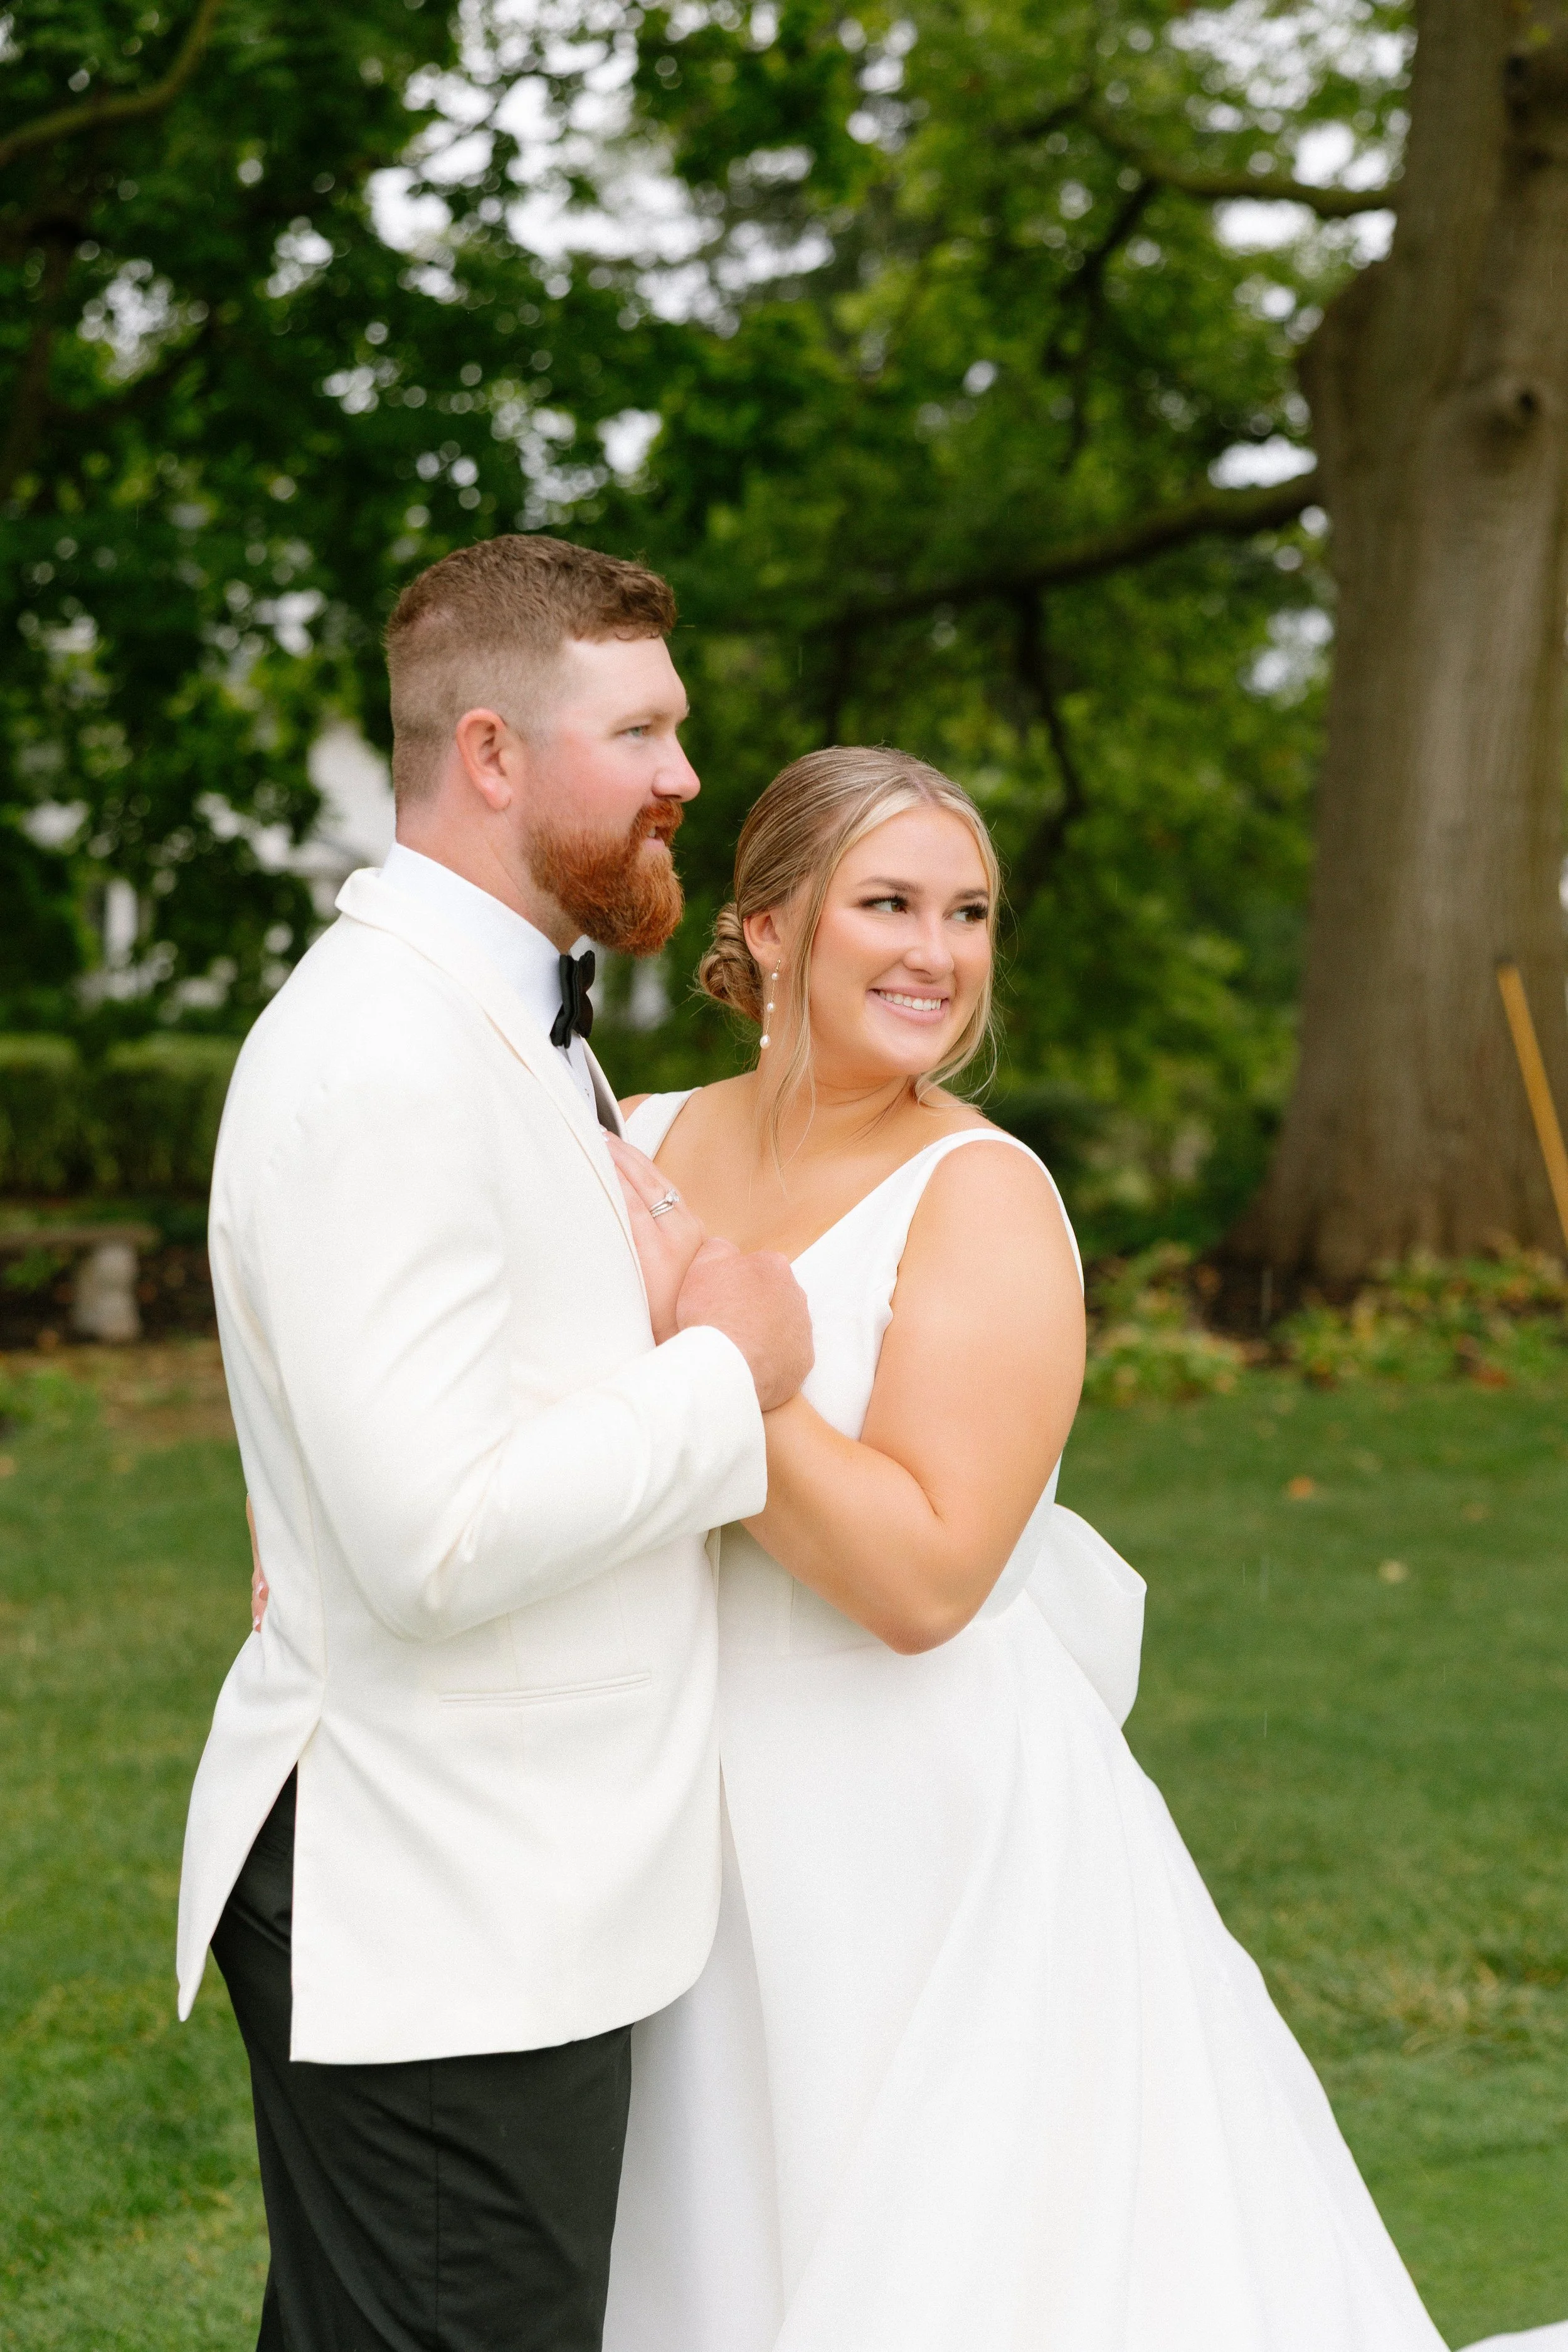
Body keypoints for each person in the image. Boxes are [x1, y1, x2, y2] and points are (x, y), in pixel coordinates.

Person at [590, 743, 1476, 2350]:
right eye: (887, 903)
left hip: (922, 1834)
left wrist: (724, 1367)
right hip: (671, 1814)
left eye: (970, 911)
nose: (937, 950)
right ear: (770, 926)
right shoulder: (626, 1140)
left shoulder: (981, 1194)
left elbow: (928, 1578)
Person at [178, 533, 813, 2352]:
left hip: (501, 1878)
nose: (690, 772)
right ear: (491, 753)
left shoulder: (510, 1019)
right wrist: (730, 1372)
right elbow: (433, 1538)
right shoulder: (386, 1051)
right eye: (641, 729)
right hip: (436, 1900)